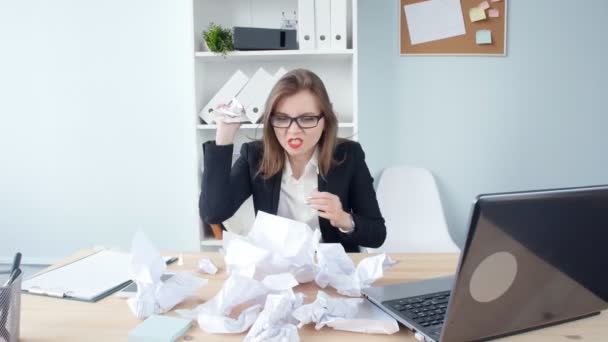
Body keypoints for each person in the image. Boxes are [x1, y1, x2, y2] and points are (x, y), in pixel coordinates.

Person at [200, 68, 386, 252]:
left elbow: (377, 235)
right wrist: (224, 136)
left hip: (331, 269)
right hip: (276, 268)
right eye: (282, 118)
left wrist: (344, 219)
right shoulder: (255, 155)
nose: (293, 130)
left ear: (326, 122)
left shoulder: (349, 155)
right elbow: (213, 213)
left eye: (306, 119)